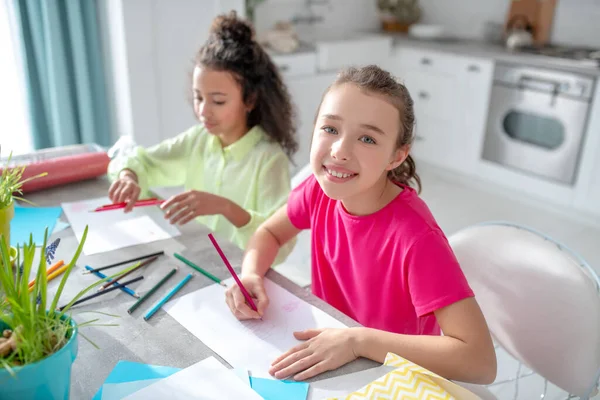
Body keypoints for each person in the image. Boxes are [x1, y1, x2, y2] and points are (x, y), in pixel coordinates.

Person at [224, 65, 497, 384]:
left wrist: (359, 341)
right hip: (334, 358)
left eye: (367, 138)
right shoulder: (317, 191)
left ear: (396, 156)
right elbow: (270, 232)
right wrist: (251, 274)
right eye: (330, 129)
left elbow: (479, 361)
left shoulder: (416, 237)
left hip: (389, 375)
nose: (340, 151)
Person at [107, 12, 297, 260]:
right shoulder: (198, 140)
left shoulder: (269, 159)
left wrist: (226, 208)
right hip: (201, 263)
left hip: (244, 276)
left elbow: (281, 245)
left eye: (218, 101)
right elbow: (139, 161)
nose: (203, 111)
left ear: (249, 100)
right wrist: (128, 176)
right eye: (198, 97)